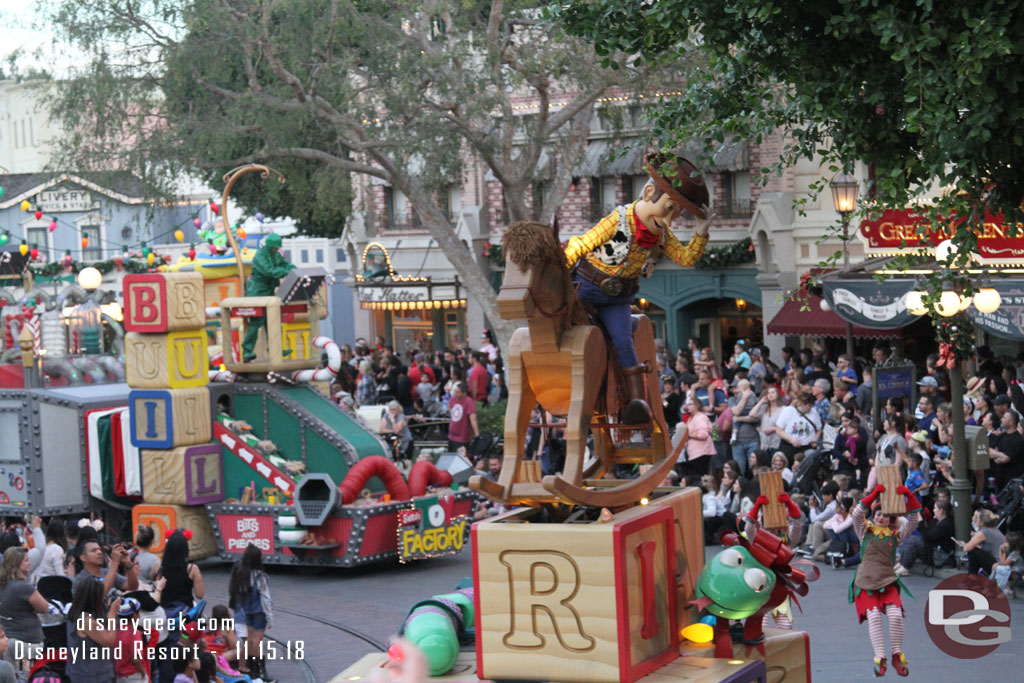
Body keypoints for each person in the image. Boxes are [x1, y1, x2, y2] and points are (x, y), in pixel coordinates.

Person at [564, 153, 715, 423]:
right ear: (648, 192)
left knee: (623, 341)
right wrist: (563, 264)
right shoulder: (618, 220)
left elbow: (686, 258)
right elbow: (583, 242)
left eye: (678, 213)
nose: (670, 220)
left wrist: (701, 231)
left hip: (617, 299)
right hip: (586, 289)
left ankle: (637, 402)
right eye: (669, 208)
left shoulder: (661, 234)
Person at [849, 483, 921, 677]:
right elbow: (857, 515)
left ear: (891, 519)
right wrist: (873, 494)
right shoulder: (865, 531)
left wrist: (908, 496)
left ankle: (897, 654)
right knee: (873, 617)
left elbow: (914, 521)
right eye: (878, 514)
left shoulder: (896, 536)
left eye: (885, 515)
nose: (880, 517)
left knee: (896, 615)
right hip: (865, 583)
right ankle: (880, 657)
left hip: (887, 582)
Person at [745, 490, 803, 628]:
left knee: (785, 626)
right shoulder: (757, 539)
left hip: (779, 586)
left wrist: (790, 505)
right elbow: (748, 528)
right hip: (761, 586)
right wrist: (757, 507)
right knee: (759, 628)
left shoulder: (787, 540)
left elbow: (798, 525)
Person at [241, 233, 296, 362]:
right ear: (269, 246)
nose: (276, 250)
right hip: (257, 291)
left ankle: (275, 348)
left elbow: (285, 265)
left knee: (273, 321)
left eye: (277, 248)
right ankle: (247, 351)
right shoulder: (260, 256)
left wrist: (293, 269)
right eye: (274, 248)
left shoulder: (276, 255)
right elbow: (269, 271)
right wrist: (286, 271)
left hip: (269, 290)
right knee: (256, 322)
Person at [230, 544, 275, 683]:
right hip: (259, 612)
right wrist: (270, 617)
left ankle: (253, 671)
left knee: (250, 640)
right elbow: (265, 597)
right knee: (257, 642)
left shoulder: (241, 575)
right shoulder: (259, 576)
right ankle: (261, 672)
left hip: (247, 611)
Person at [0, 547, 49, 675]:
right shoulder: (24, 587)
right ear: (17, 564)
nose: (30, 563)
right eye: (26, 560)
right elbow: (44, 607)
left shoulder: (2, 585)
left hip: (7, 641)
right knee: (27, 675)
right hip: (27, 643)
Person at [66, 578, 120, 683]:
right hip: (93, 676)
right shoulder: (86, 621)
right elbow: (109, 640)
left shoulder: (74, 612)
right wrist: (112, 614)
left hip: (81, 672)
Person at [896, 499, 955, 572]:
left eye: (935, 508)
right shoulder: (937, 521)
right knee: (910, 539)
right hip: (932, 549)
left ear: (941, 511)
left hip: (938, 554)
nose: (933, 510)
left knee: (913, 541)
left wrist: (920, 521)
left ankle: (905, 567)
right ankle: (902, 563)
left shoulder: (947, 524)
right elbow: (926, 531)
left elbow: (927, 537)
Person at [956, 508, 1006, 575]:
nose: (974, 520)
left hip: (997, 564)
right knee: (975, 551)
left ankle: (972, 577)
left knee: (972, 551)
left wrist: (964, 545)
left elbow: (966, 548)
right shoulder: (994, 530)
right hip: (999, 562)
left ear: (982, 522)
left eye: (976, 518)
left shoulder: (982, 533)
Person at [774, 392, 822, 460]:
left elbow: (819, 429)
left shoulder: (813, 412)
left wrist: (815, 439)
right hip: (789, 446)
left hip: (806, 446)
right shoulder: (788, 411)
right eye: (807, 405)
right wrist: (791, 439)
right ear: (801, 403)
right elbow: (779, 430)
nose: (809, 407)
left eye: (811, 405)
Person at [730, 379, 760, 476]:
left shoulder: (754, 397)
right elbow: (736, 412)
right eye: (734, 388)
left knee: (755, 469)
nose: (735, 390)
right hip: (738, 443)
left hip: (753, 440)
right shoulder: (732, 400)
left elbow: (755, 417)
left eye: (737, 388)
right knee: (739, 470)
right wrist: (744, 398)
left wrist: (739, 419)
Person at [115, 597, 148, 683]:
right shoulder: (135, 633)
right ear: (135, 615)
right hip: (134, 676)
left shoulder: (115, 631)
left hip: (119, 675)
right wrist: (143, 673)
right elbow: (135, 658)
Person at [681, 395, 715, 478]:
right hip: (696, 452)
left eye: (690, 404)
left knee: (701, 476)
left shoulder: (700, 418)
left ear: (697, 406)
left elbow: (703, 434)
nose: (687, 406)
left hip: (701, 452)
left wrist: (689, 435)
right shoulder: (694, 418)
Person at [447, 382, 478, 453]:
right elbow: (449, 405)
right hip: (451, 436)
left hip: (462, 438)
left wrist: (477, 435)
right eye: (455, 391)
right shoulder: (452, 400)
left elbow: (473, 419)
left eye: (458, 392)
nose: (455, 394)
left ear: (464, 393)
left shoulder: (468, 402)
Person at [754, 385, 785, 453]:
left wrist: (774, 429)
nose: (770, 394)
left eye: (773, 392)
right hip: (764, 445)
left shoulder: (784, 409)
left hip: (777, 443)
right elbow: (752, 414)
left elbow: (786, 426)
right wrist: (761, 401)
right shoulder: (764, 408)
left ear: (778, 394)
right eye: (768, 393)